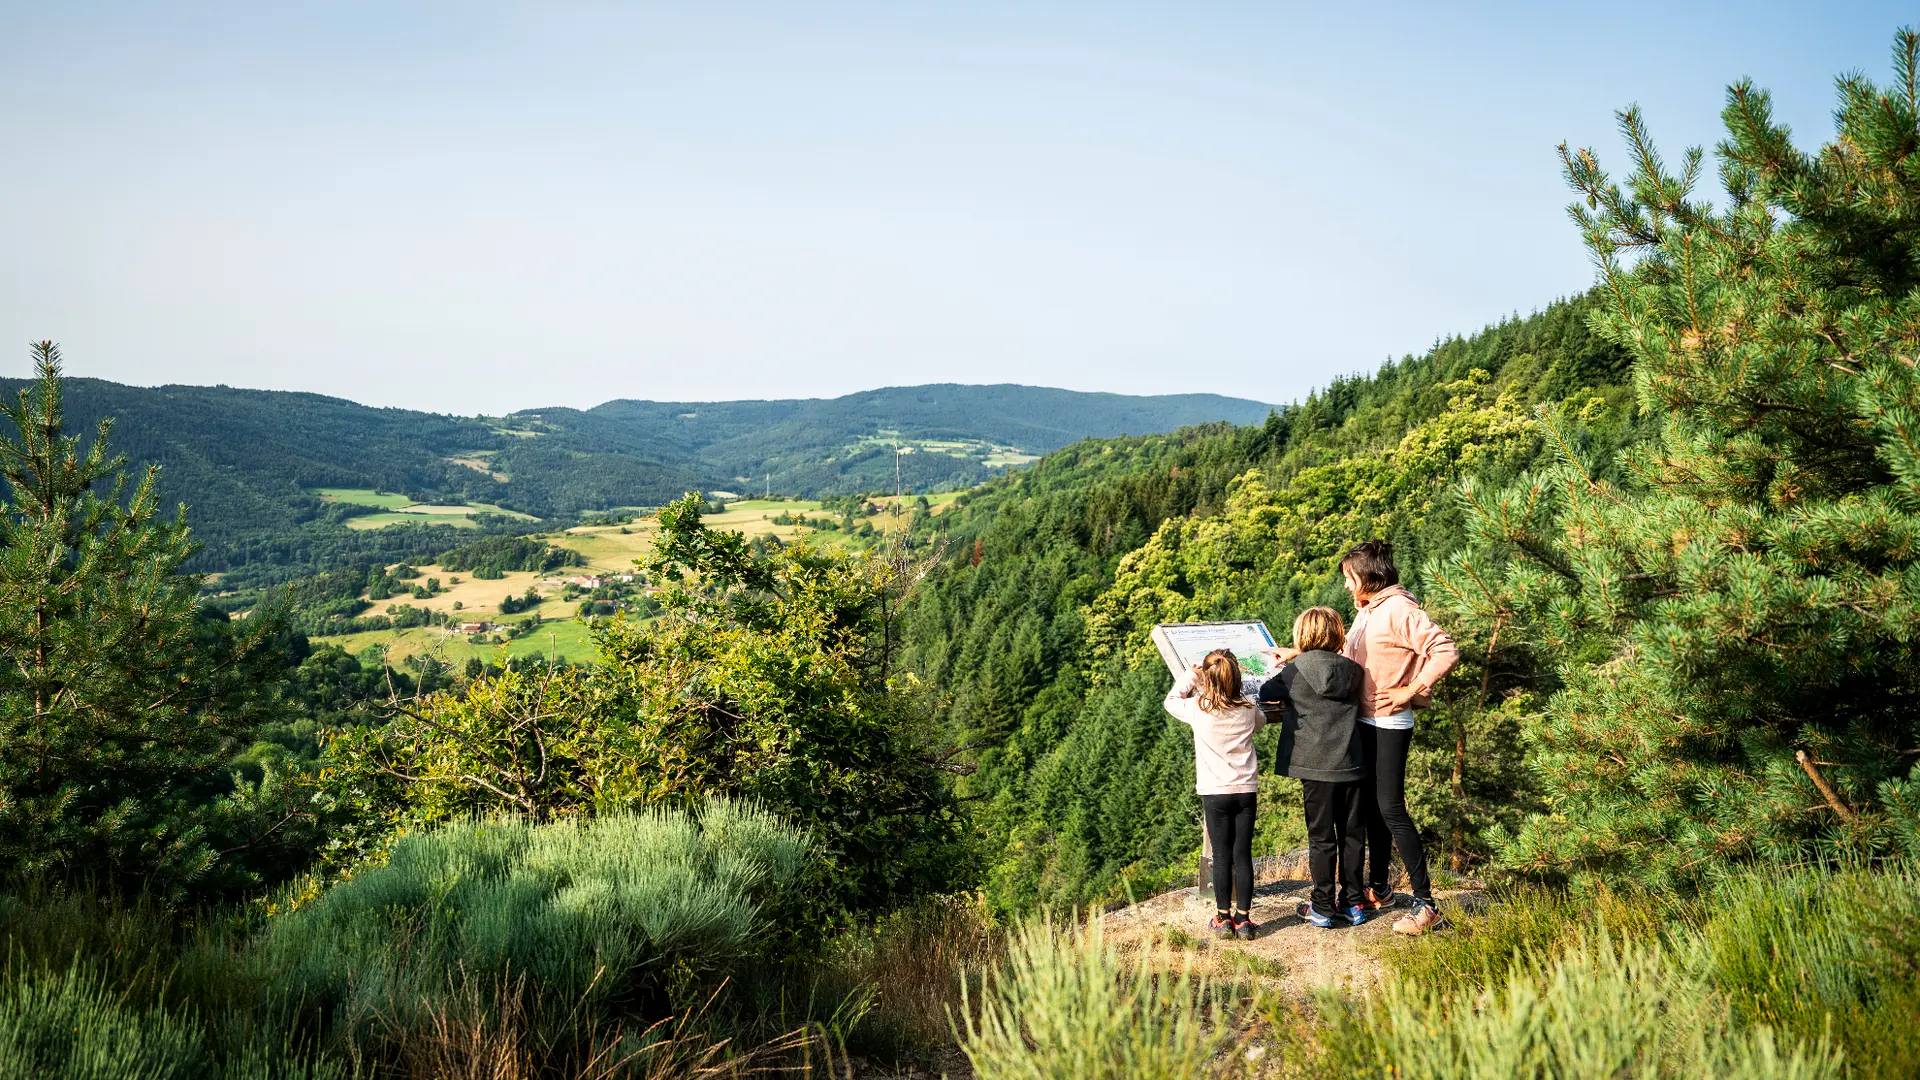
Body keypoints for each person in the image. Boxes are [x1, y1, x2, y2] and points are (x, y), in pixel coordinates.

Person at [1340, 538, 1458, 936]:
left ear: (1368, 577)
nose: (1346, 585)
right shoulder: (1369, 610)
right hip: (1365, 720)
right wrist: (1300, 654)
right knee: (1373, 809)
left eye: (1349, 577)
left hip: (1388, 722)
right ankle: (1380, 889)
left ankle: (1427, 905)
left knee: (1391, 808)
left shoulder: (1400, 609)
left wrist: (1411, 690)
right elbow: (1351, 656)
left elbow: (1445, 650)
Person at [1257, 606, 1368, 929]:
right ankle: (1353, 903)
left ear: (1302, 635)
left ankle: (1322, 906)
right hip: (1352, 763)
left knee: (1321, 839)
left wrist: (1292, 660)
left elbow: (1266, 691)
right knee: (1352, 836)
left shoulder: (1295, 672)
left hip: (1315, 767)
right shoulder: (1353, 670)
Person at [1163, 648, 1266, 941]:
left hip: (1215, 791)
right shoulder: (1247, 707)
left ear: (1208, 679)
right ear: (1236, 677)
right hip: (1245, 789)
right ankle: (1244, 920)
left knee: (1222, 855)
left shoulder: (1199, 708)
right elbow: (1260, 722)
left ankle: (1223, 918)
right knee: (1242, 855)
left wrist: (1191, 676)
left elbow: (1171, 701)